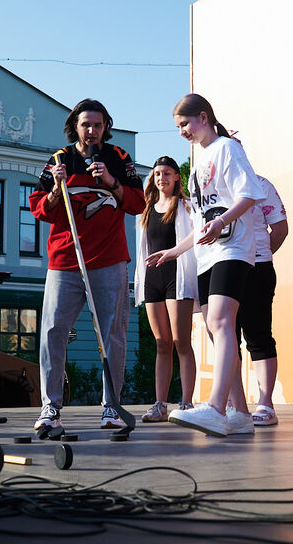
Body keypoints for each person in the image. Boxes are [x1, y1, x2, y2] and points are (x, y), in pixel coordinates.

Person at [147, 93, 264, 438]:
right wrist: (173, 251)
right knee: (214, 329)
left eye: (184, 124)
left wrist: (222, 221)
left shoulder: (228, 149)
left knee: (220, 320)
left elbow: (249, 194)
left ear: (202, 117)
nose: (182, 131)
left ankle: (214, 408)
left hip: (233, 249)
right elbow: (200, 225)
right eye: (178, 127)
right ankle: (239, 412)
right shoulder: (198, 165)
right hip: (207, 255)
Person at [29, 98, 146, 432]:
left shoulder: (119, 158)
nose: (92, 131)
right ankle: (50, 407)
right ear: (75, 127)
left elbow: (137, 204)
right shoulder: (58, 160)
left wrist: (110, 181)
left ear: (105, 126)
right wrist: (56, 188)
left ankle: (111, 407)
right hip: (65, 261)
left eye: (97, 124)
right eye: (85, 124)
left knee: (114, 334)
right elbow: (39, 209)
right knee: (53, 331)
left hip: (109, 261)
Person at [134, 156, 197, 422]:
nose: (162, 178)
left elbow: (197, 236)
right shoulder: (147, 208)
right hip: (153, 279)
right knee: (161, 343)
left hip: (177, 277)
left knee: (181, 342)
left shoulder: (185, 205)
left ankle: (185, 405)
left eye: (168, 173)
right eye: (158, 173)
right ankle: (160, 405)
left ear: (176, 178)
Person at [234, 175, 288, 427]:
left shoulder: (260, 184)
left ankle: (265, 402)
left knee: (258, 335)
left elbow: (280, 228)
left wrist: (260, 255)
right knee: (227, 337)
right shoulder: (210, 185)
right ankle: (234, 403)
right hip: (220, 268)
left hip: (257, 267)